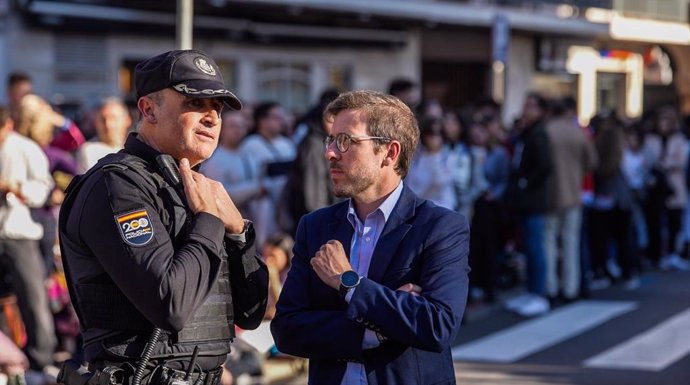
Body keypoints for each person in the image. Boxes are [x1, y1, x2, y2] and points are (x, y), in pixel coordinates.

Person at [58, 49, 268, 385]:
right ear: (149, 109)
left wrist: (239, 234)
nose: (213, 117)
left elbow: (251, 311)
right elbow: (170, 304)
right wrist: (210, 222)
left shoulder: (193, 189)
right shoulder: (117, 185)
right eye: (195, 103)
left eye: (217, 107)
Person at [271, 90, 470, 384]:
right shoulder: (315, 226)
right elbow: (287, 329)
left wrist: (350, 284)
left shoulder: (440, 227)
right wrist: (373, 330)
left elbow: (436, 325)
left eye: (346, 141)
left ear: (389, 153)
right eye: (331, 140)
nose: (330, 153)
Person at [0, 105, 57, 374]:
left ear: (8, 126)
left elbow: (42, 189)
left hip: (19, 233)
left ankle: (41, 359)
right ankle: (7, 355)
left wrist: (13, 187)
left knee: (33, 298)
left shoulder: (24, 148)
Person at [75, 97, 132, 173]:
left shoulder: (135, 148)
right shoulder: (89, 151)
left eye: (113, 118)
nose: (108, 125)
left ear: (127, 120)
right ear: (96, 123)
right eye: (103, 120)